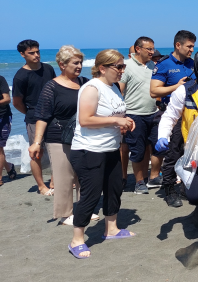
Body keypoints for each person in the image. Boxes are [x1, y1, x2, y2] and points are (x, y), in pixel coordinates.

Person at [68, 49, 136, 259]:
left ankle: (112, 229)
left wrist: (125, 123)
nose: (122, 70)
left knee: (115, 187)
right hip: (89, 149)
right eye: (119, 66)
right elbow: (85, 119)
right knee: (91, 193)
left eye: (123, 66)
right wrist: (117, 121)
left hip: (110, 147)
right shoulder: (91, 88)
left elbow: (113, 113)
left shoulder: (113, 87)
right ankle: (77, 239)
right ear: (102, 68)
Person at [29, 46, 100, 225]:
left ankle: (84, 209)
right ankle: (66, 213)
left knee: (84, 174)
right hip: (58, 137)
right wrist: (37, 142)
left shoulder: (85, 82)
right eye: (75, 63)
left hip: (83, 135)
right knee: (64, 176)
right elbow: (42, 116)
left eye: (80, 62)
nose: (79, 66)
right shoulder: (51, 86)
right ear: (62, 64)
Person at [150, 30, 196, 207]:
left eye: (193, 46)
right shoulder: (164, 64)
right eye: (189, 46)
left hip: (191, 115)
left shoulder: (192, 63)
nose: (192, 49)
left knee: (189, 153)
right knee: (173, 154)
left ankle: (187, 188)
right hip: (173, 114)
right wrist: (176, 86)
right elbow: (154, 91)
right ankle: (169, 190)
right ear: (178, 45)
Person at [119, 37, 163, 194]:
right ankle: (139, 182)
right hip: (134, 114)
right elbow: (119, 91)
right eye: (148, 49)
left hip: (154, 113)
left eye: (153, 48)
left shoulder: (153, 66)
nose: (152, 52)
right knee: (137, 150)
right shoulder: (126, 66)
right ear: (138, 49)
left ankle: (153, 177)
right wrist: (121, 117)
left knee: (159, 146)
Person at [13, 39, 56, 195]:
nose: (36, 55)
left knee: (57, 151)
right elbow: (17, 102)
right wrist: (32, 113)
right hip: (34, 117)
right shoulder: (20, 76)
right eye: (32, 53)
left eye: (37, 51)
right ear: (22, 54)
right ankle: (41, 186)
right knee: (37, 153)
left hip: (54, 115)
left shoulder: (48, 69)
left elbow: (56, 88)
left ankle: (53, 181)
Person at [0, 74, 16, 186]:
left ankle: (0, 178)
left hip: (2, 117)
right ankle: (9, 167)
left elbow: (7, 99)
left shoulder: (0, 79)